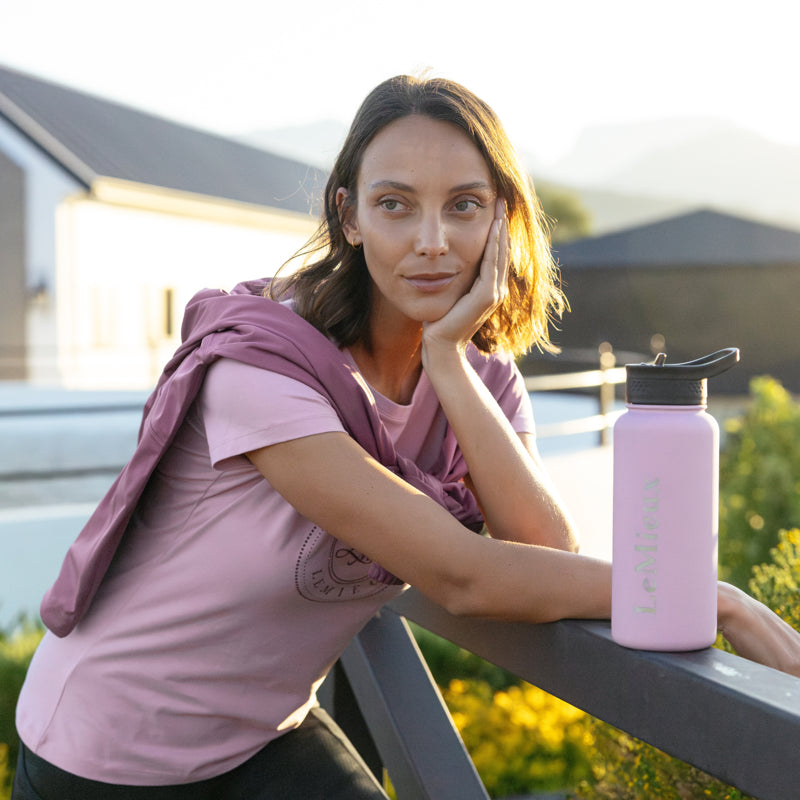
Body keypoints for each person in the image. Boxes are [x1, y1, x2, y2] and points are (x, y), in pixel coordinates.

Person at [12, 74, 800, 800]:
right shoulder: (260, 369)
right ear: (348, 216)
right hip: (105, 749)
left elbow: (545, 555)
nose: (432, 240)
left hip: (260, 737)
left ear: (503, 218)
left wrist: (448, 365)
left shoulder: (481, 380)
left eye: (464, 204)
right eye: (395, 205)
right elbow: (464, 577)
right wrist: (709, 599)